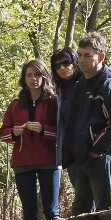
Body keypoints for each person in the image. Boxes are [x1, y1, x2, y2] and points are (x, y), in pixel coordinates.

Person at [65, 31, 111, 214]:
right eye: (79, 55)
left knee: (106, 210)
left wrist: (97, 150)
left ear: (101, 56)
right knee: (80, 213)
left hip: (104, 156)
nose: (81, 59)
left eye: (87, 55)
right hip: (84, 157)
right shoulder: (81, 85)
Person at [0, 59, 60, 220]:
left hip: (49, 161)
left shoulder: (54, 102)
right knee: (29, 213)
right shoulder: (15, 105)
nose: (34, 78)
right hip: (22, 163)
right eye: (29, 75)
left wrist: (42, 129)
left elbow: (62, 133)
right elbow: (3, 134)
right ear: (24, 79)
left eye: (38, 74)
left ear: (44, 76)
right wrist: (13, 132)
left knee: (51, 211)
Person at [50, 46, 83, 188]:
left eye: (66, 63)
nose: (62, 68)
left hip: (89, 148)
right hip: (71, 150)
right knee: (81, 196)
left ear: (75, 61)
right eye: (57, 66)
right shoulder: (62, 90)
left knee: (100, 199)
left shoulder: (86, 83)